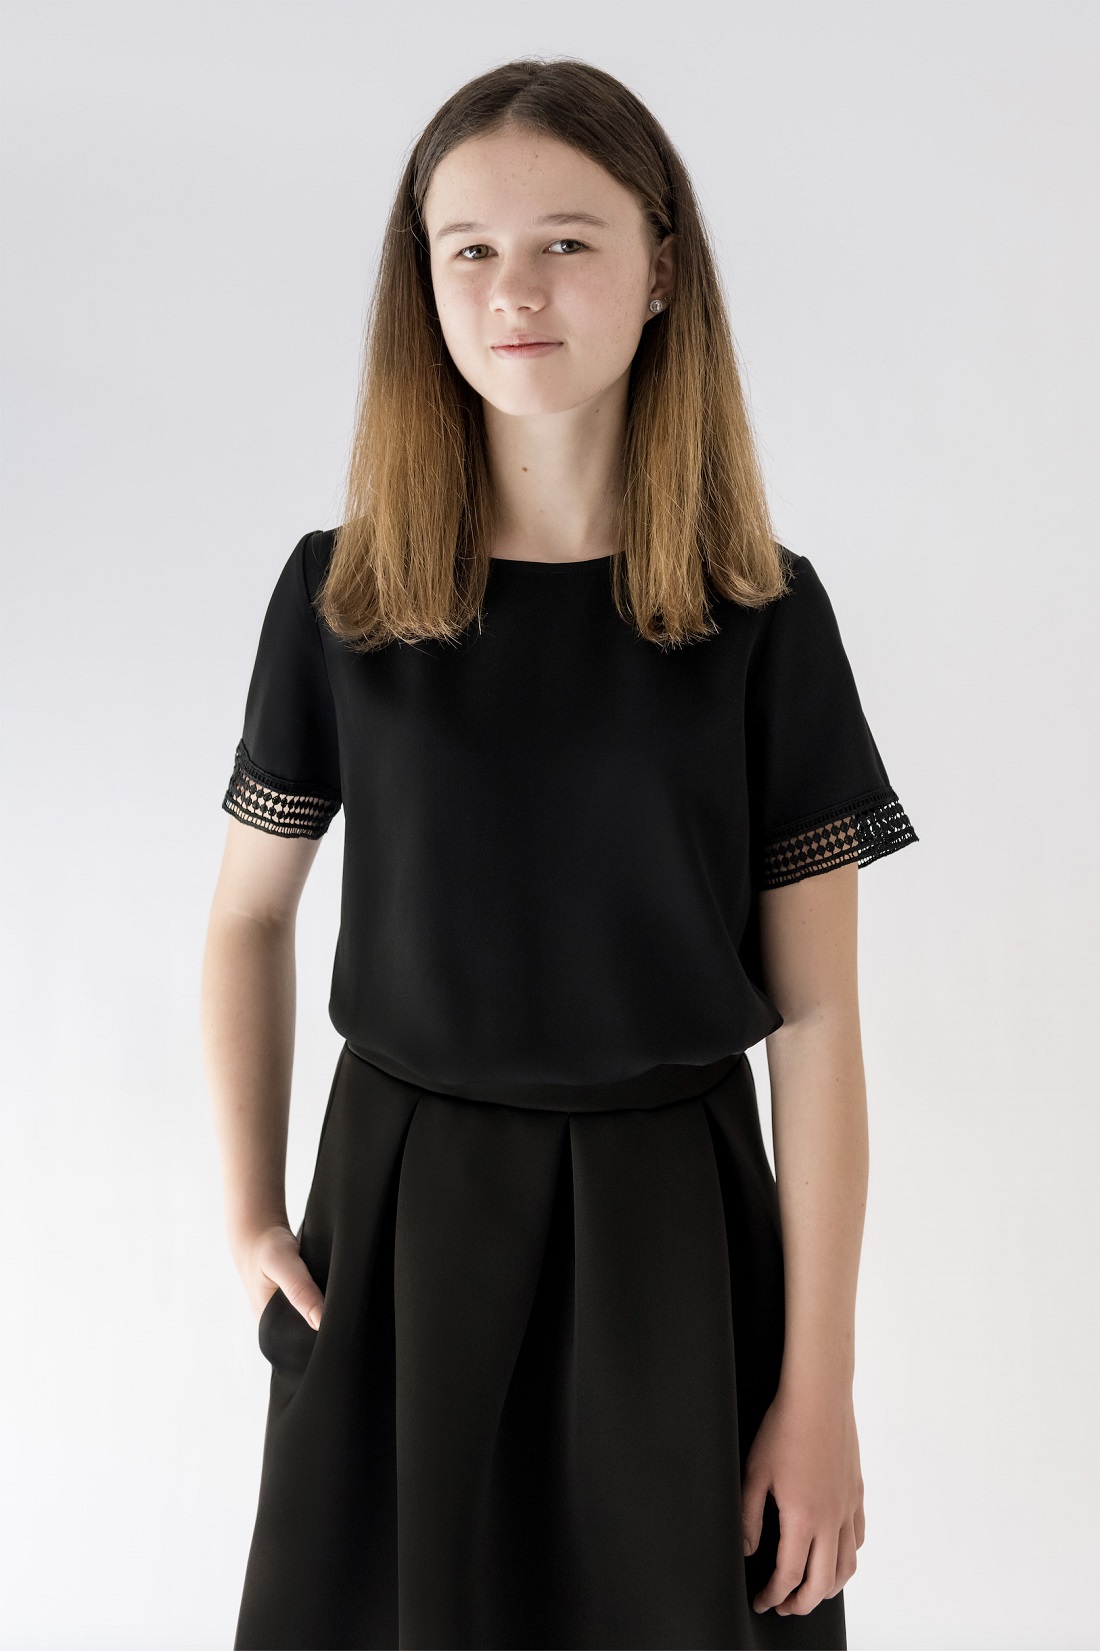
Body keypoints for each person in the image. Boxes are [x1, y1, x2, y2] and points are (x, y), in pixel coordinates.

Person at [200, 55, 919, 1651]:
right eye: (468, 248)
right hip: (397, 1226)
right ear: (423, 282)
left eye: (567, 243)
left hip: (677, 1237)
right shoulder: (340, 598)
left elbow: (817, 1018)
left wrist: (818, 1387)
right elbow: (249, 915)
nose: (513, 290)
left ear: (661, 269)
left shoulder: (763, 616)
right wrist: (253, 1217)